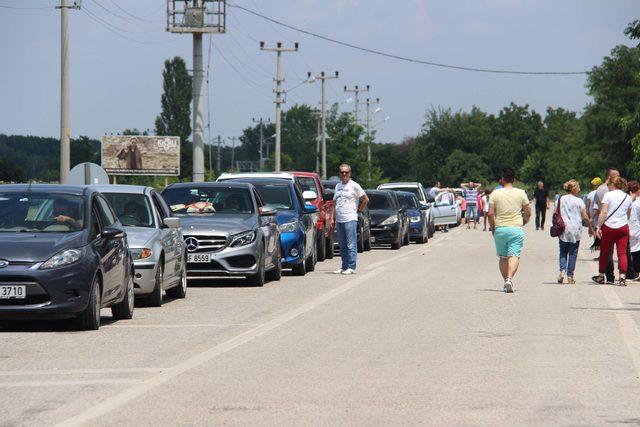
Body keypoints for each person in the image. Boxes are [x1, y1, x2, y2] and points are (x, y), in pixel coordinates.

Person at [488, 167, 531, 293]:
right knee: (514, 255)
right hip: (516, 228)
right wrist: (524, 221)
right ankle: (509, 279)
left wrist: (493, 227)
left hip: (500, 228)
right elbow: (528, 212)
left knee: (503, 257)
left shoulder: (495, 193)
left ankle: (505, 281)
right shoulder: (521, 193)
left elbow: (490, 213)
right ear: (514, 179)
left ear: (502, 179)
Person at [593, 176, 632, 286]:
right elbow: (628, 214)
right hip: (623, 227)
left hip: (609, 227)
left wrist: (598, 227)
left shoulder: (608, 195)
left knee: (605, 252)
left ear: (614, 185)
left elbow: (604, 212)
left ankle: (601, 276)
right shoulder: (627, 197)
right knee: (622, 253)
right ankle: (622, 277)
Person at [332, 163, 369, 275]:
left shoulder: (354, 185)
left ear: (350, 173)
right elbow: (335, 202)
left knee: (351, 244)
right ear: (339, 173)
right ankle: (344, 266)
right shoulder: (338, 186)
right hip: (340, 218)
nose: (344, 174)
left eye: (346, 172)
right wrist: (332, 217)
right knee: (342, 244)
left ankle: (351, 266)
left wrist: (358, 211)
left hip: (350, 218)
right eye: (342, 172)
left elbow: (365, 199)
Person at [555, 180, 592, 284]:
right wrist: (590, 226)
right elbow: (584, 216)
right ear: (574, 189)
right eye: (578, 187)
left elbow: (555, 212)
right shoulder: (579, 201)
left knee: (563, 251)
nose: (579, 189)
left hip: (563, 229)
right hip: (576, 229)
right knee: (573, 253)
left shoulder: (559, 199)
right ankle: (570, 276)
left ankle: (562, 270)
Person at [593, 168, 620, 283]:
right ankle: (611, 276)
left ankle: (609, 275)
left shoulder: (600, 189)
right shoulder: (606, 190)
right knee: (610, 251)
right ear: (610, 177)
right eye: (617, 176)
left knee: (608, 251)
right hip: (609, 223)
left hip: (608, 222)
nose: (619, 178)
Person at [585, 177, 603, 250]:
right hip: (601, 215)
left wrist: (588, 216)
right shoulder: (603, 192)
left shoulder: (590, 194)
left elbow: (587, 206)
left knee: (596, 232)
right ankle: (600, 249)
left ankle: (599, 249)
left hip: (594, 216)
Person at [628, 180, 640, 280]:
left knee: (628, 251)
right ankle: (636, 272)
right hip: (637, 228)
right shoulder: (638, 201)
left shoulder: (627, 200)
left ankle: (630, 272)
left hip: (627, 227)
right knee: (636, 252)